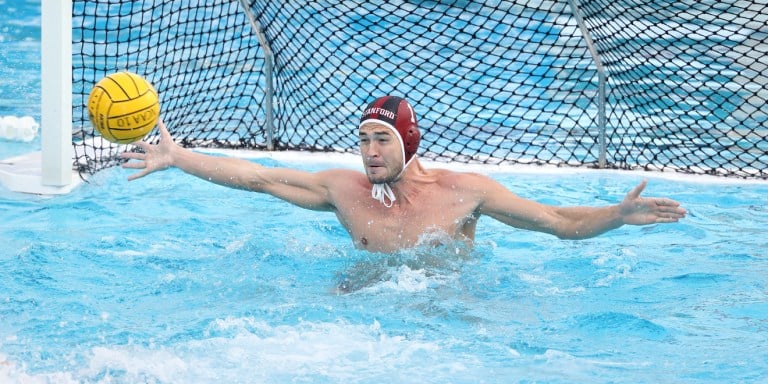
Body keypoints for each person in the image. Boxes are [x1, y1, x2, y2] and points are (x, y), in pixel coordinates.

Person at [121, 95, 686, 254]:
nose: (368, 151)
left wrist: (616, 215)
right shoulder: (341, 190)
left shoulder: (466, 193)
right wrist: (178, 158)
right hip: (361, 309)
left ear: (408, 144)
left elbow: (557, 222)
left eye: (380, 140)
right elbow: (258, 177)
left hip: (446, 308)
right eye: (363, 139)